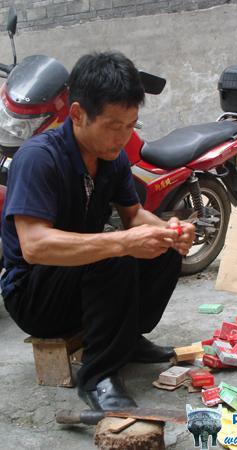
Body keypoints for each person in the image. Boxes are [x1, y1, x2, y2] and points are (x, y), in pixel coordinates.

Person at [0, 51, 195, 411]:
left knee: (161, 248)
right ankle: (98, 377)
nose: (122, 137)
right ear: (77, 114)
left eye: (130, 125)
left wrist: (170, 231)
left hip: (80, 278)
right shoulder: (39, 158)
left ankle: (127, 339)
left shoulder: (113, 157)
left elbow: (135, 214)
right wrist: (120, 242)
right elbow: (34, 246)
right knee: (114, 255)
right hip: (34, 294)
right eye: (112, 125)